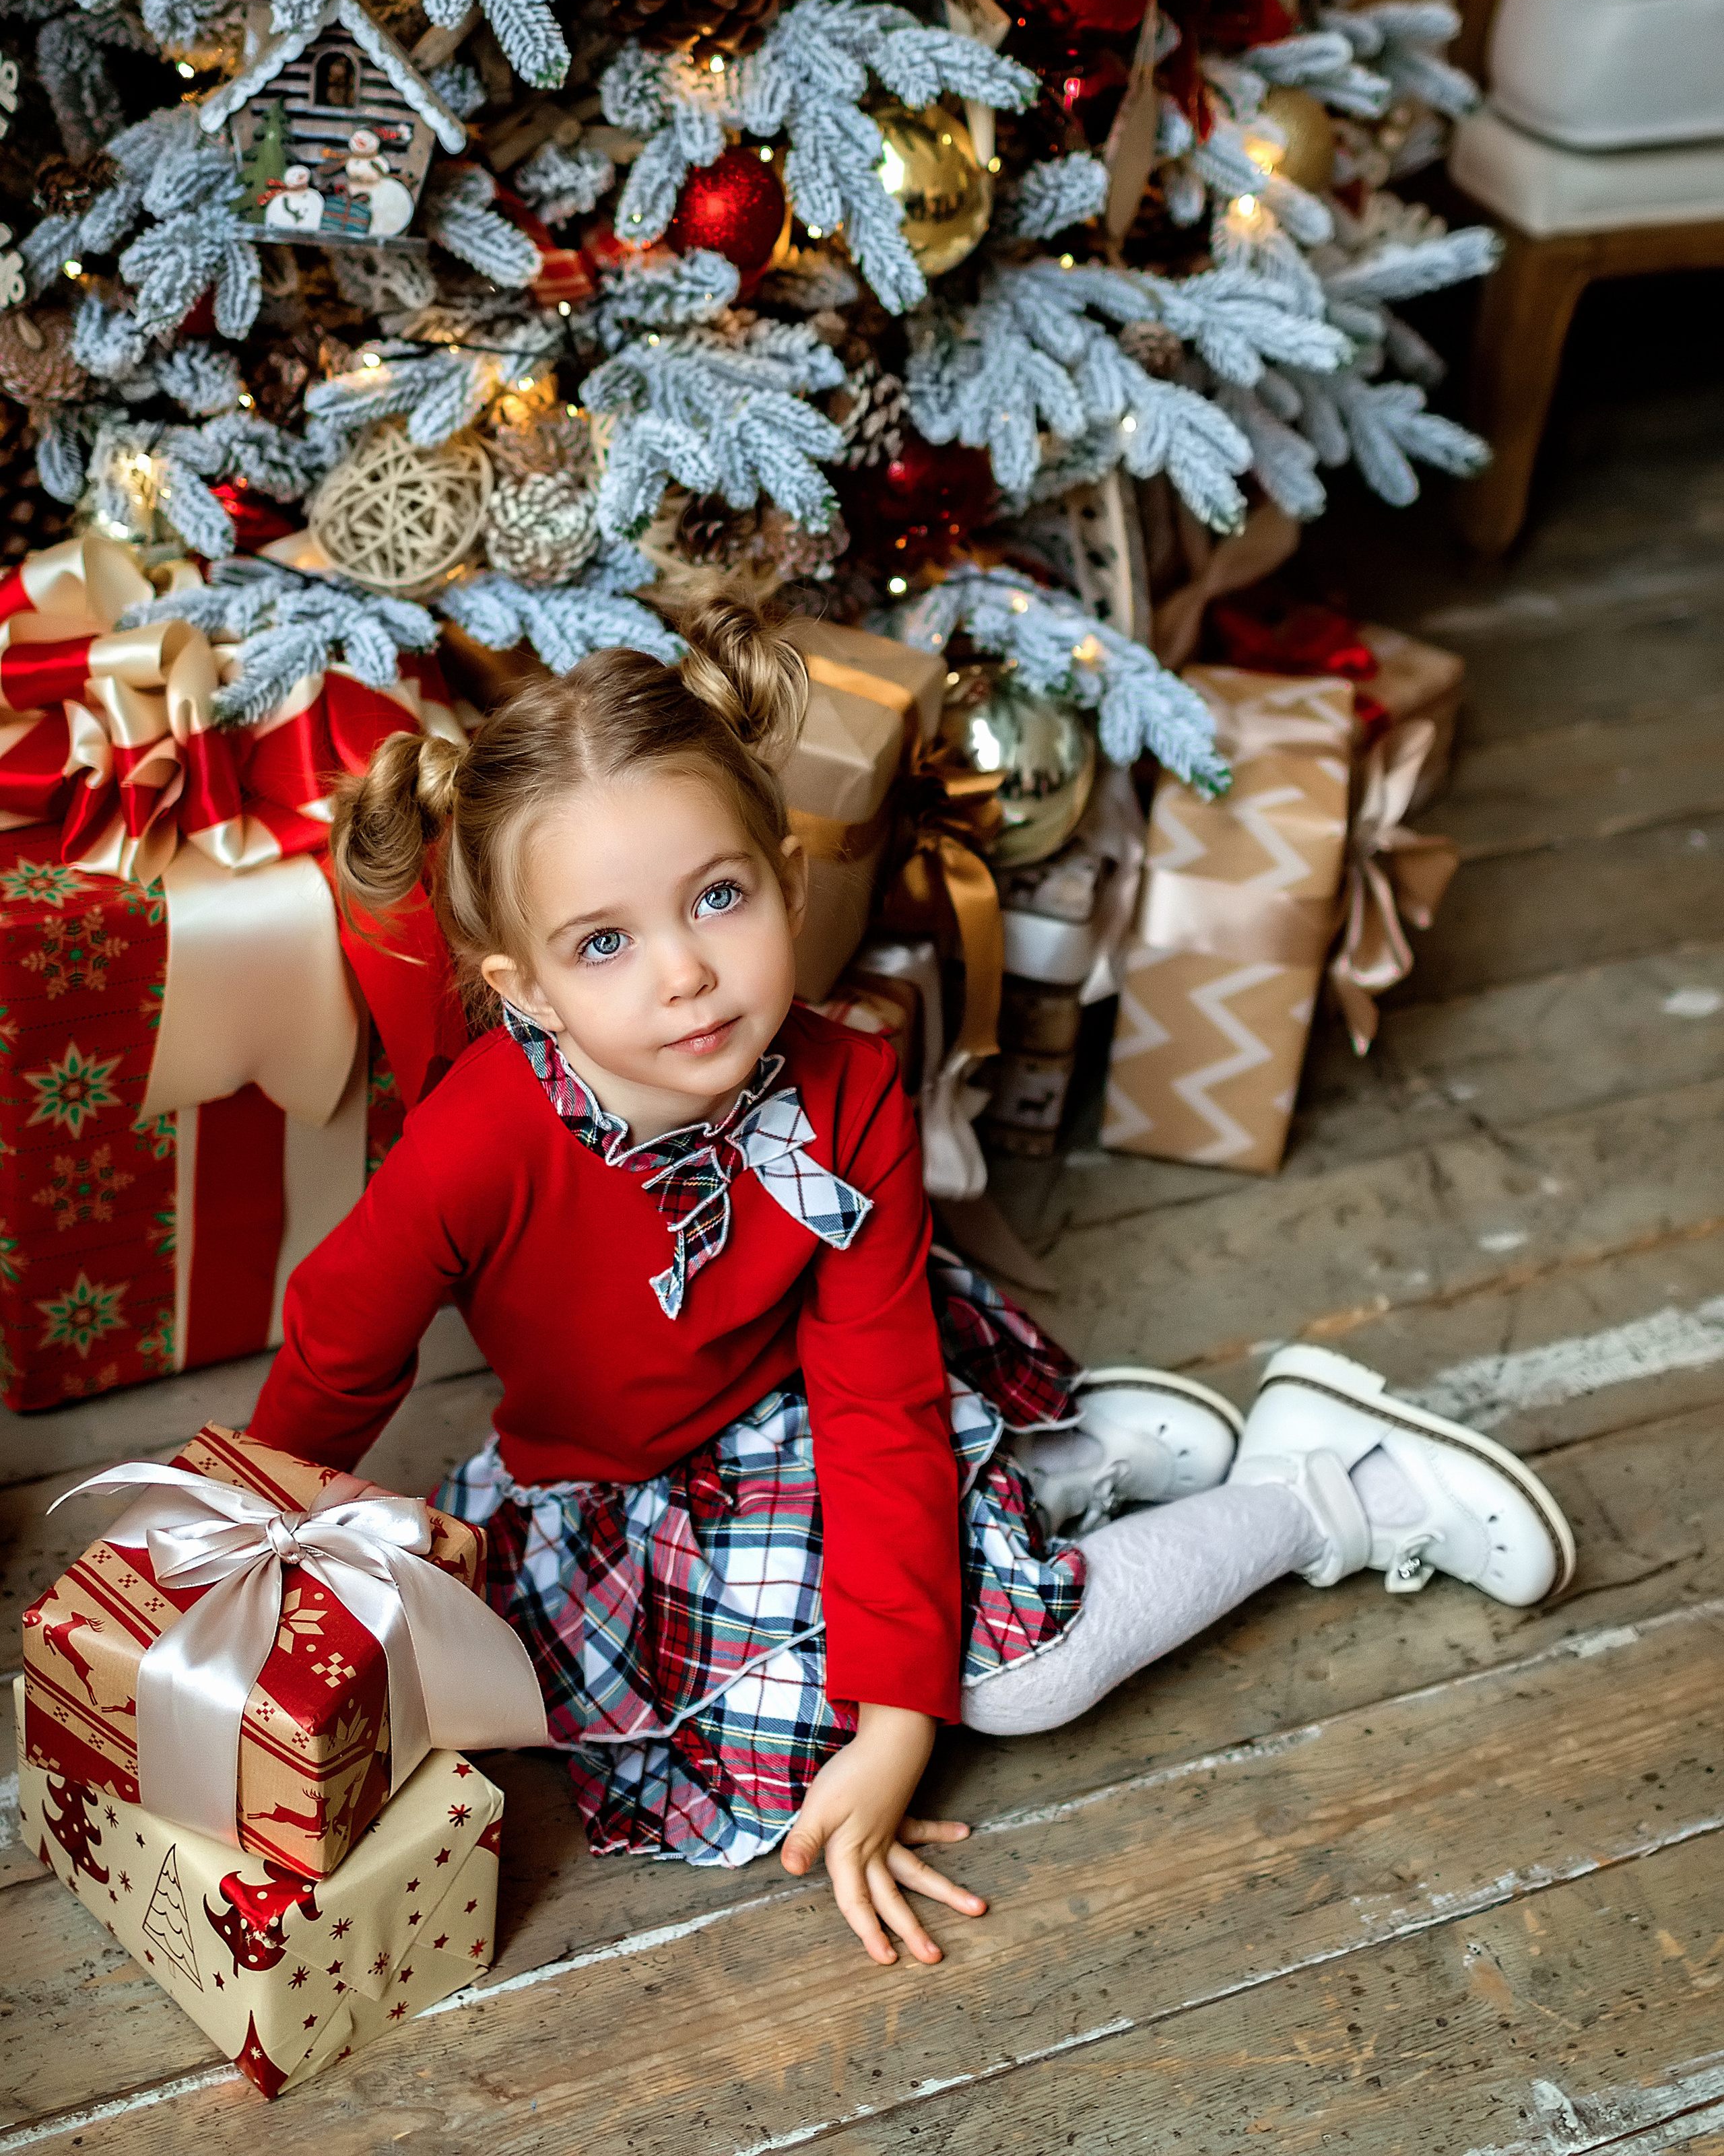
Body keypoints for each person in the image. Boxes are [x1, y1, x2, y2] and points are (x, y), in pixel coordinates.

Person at [246, 595, 1575, 1969]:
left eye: (717, 897)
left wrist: (899, 1725)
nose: (687, 973)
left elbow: (875, 1401)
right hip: (609, 1483)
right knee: (550, 1705)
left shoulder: (848, 1085)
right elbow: (340, 1351)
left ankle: (1323, 1485)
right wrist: (221, 1552)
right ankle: (1071, 1466)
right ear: (524, 989)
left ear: (787, 881)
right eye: (604, 942)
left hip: (827, 1414)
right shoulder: (473, 1141)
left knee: (1015, 1685)